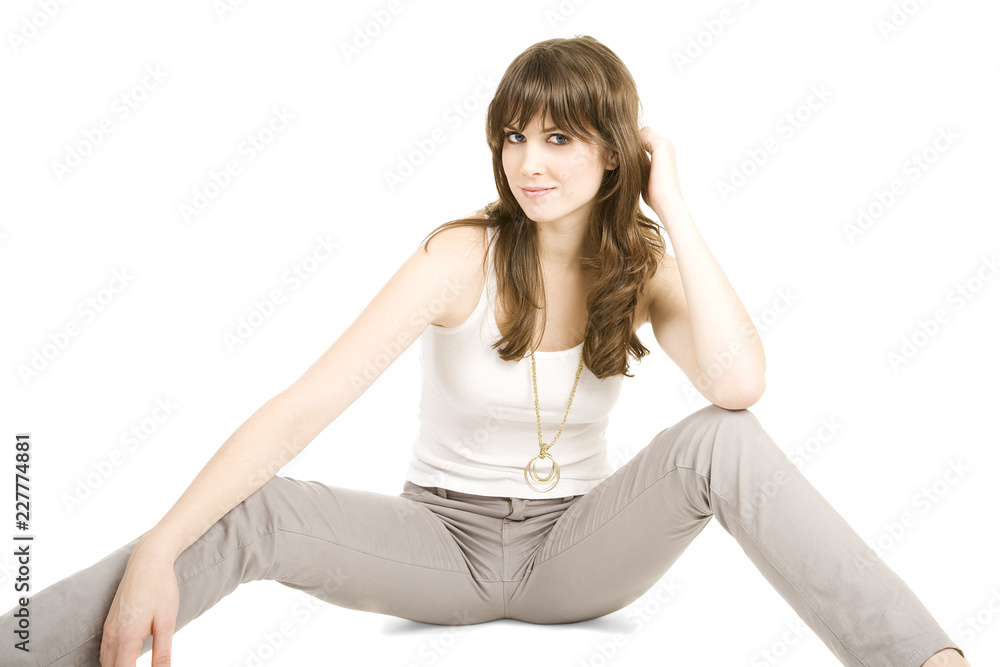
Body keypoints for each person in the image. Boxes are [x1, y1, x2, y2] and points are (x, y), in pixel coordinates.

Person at [1, 35, 970, 667]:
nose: (529, 162)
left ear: (613, 151)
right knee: (257, 511)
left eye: (560, 138)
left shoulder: (642, 267)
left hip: (577, 548)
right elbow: (304, 406)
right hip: (439, 543)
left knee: (726, 437)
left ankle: (927, 659)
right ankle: (22, 646)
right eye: (514, 136)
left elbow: (740, 382)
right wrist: (159, 547)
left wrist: (671, 202)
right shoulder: (460, 255)